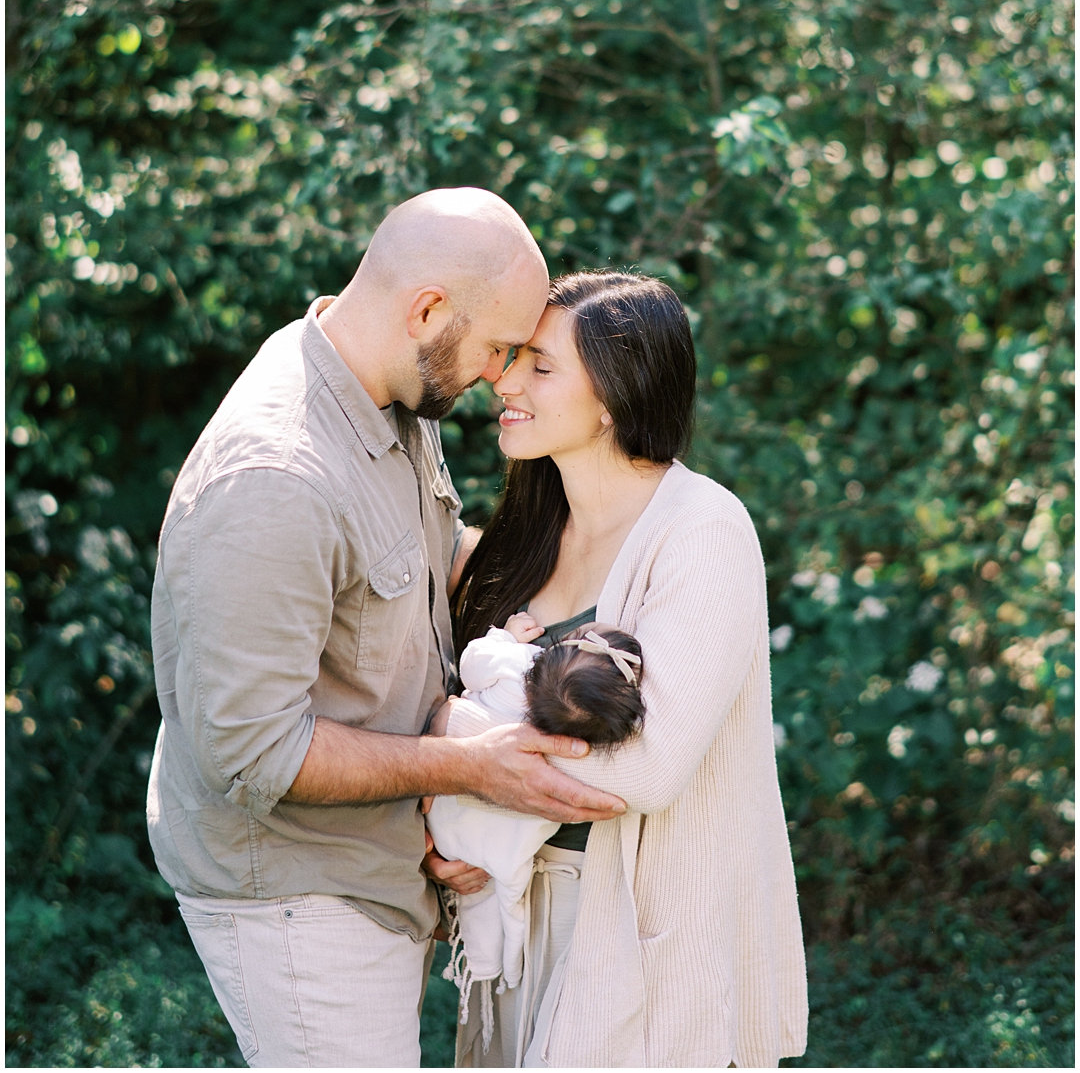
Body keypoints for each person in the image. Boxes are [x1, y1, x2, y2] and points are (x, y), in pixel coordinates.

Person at [145, 190, 626, 1070]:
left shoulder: (387, 397)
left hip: (376, 864)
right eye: (493, 349)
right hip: (296, 895)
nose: (498, 376)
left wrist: (610, 568)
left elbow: (431, 568)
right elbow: (254, 754)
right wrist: (472, 770)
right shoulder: (275, 478)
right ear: (428, 311)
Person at [450, 270, 808, 1068]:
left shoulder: (704, 531)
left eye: (541, 366)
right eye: (515, 360)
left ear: (614, 395)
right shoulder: (529, 531)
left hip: (638, 924)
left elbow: (645, 771)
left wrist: (462, 751)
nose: (505, 380)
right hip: (515, 899)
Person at [426, 617, 644, 1036]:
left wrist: (504, 638)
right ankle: (501, 964)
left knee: (494, 878)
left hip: (445, 807)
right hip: (501, 835)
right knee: (505, 885)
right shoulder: (571, 742)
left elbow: (471, 662)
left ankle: (490, 960)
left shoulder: (513, 663)